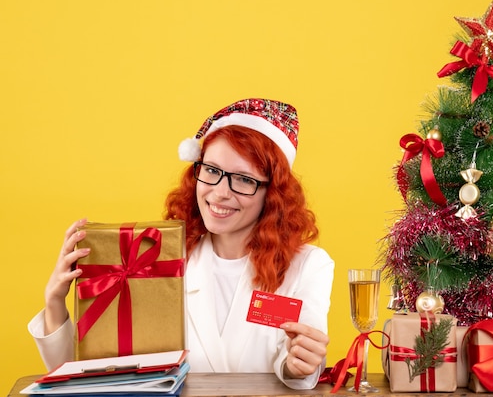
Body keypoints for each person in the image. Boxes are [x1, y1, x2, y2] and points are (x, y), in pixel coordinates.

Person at [28, 98, 335, 390]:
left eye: (243, 179)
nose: (220, 192)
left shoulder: (309, 266)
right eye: (212, 171)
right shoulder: (155, 259)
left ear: (274, 193)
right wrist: (55, 305)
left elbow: (299, 360)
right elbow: (93, 377)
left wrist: (300, 364)